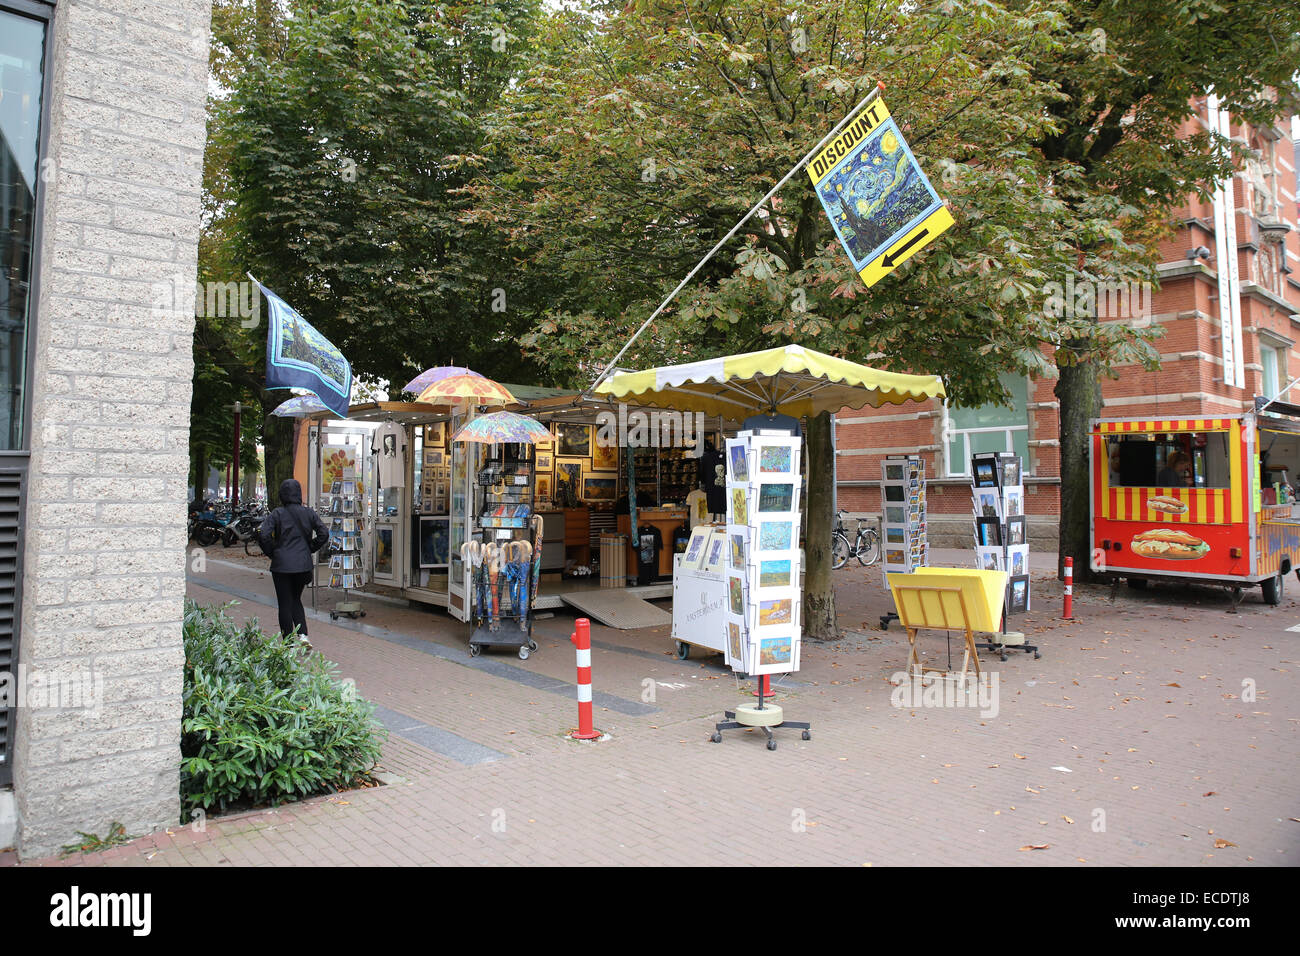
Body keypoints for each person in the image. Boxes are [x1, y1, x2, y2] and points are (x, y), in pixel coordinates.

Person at [258, 478, 330, 649]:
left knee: (284, 602)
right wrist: (310, 548)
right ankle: (303, 635)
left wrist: (273, 552)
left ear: (282, 494)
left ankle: (288, 641)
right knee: (295, 598)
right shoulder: (309, 513)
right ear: (298, 493)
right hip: (303, 565)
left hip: (282, 566)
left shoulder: (277, 513)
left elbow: (263, 535)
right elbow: (324, 533)